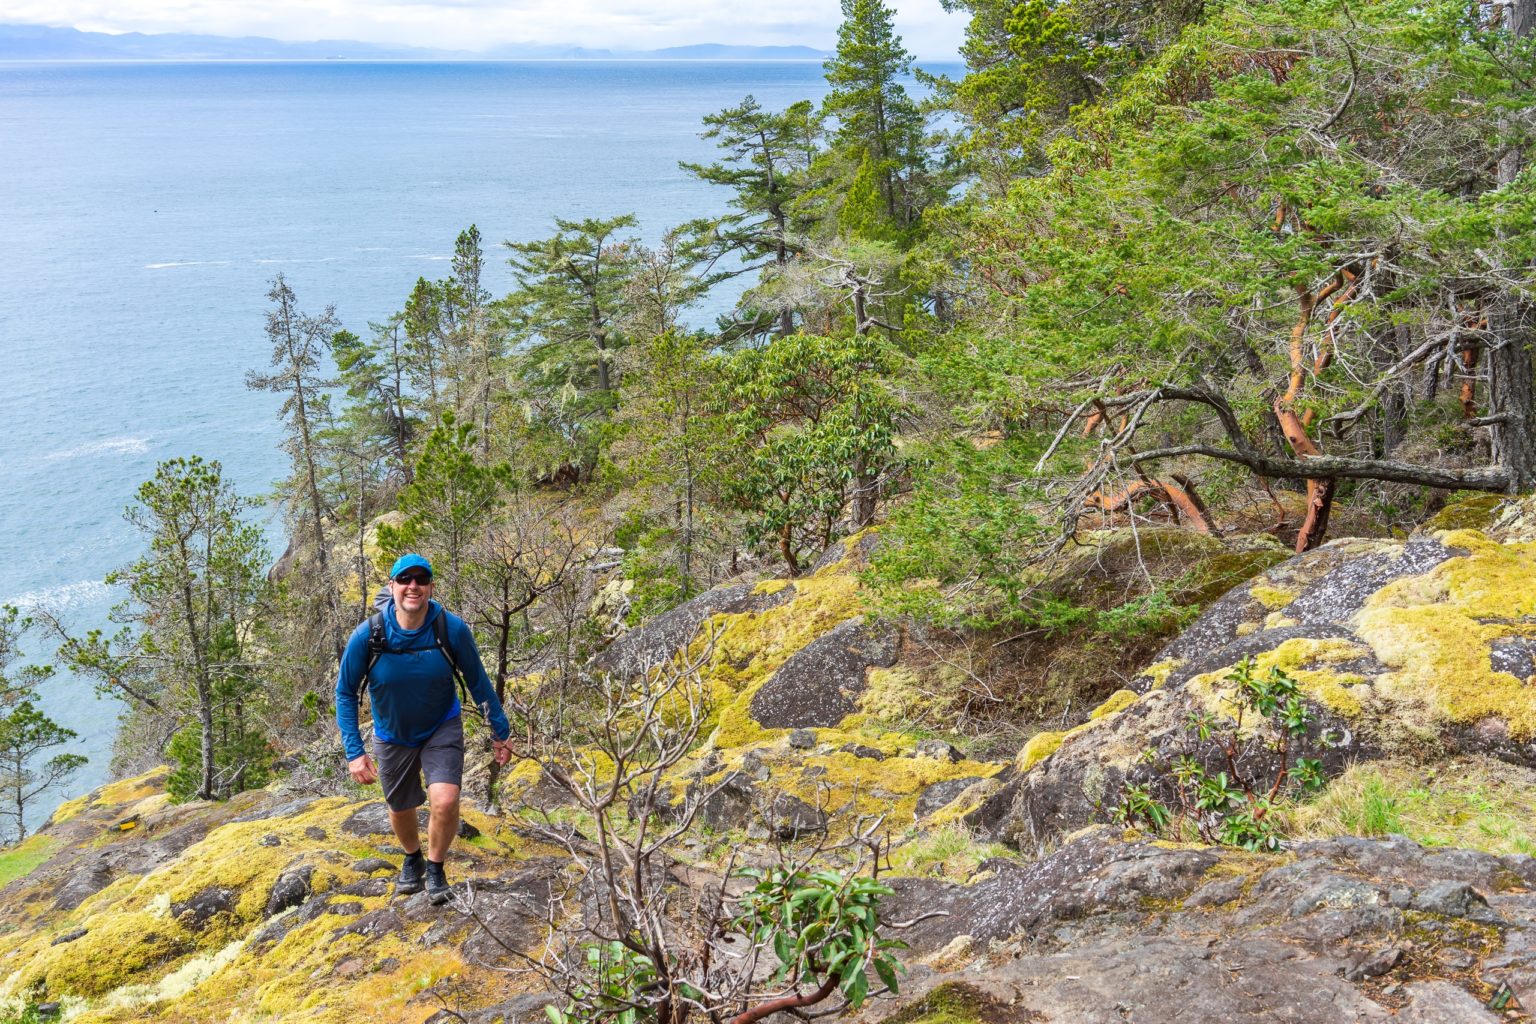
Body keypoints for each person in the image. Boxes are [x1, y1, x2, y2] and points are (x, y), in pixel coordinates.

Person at [335, 553, 514, 904]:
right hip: (392, 733)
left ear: (431, 586)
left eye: (421, 579)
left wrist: (501, 732)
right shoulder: (368, 635)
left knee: (445, 802)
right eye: (405, 579)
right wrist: (354, 753)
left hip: (440, 727)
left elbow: (479, 683)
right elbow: (345, 693)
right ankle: (412, 857)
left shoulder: (451, 629)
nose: (412, 586)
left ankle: (435, 867)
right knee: (400, 808)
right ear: (392, 586)